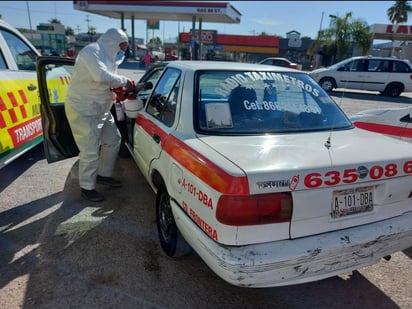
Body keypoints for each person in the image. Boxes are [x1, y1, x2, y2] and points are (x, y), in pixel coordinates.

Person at [64, 28, 136, 202]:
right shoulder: (92, 51)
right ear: (113, 42)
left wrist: (116, 91)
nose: (122, 51)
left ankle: (104, 175)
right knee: (90, 150)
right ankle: (87, 188)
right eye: (121, 47)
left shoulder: (110, 58)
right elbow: (100, 76)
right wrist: (125, 81)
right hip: (83, 109)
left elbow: (106, 81)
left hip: (101, 109)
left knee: (113, 140)